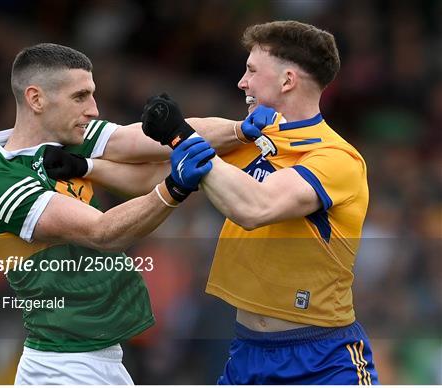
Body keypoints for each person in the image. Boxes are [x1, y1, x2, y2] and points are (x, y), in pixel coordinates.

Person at [0, 43, 237, 385]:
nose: (94, 109)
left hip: (94, 359)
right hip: (63, 366)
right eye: (80, 96)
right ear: (36, 99)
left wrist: (246, 131)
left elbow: (143, 141)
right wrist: (174, 188)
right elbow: (102, 232)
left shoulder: (67, 139)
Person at [141, 21, 379, 385]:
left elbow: (255, 208)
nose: (242, 82)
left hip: (323, 360)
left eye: (252, 70)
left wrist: (181, 136)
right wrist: (86, 166)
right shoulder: (251, 140)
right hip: (247, 353)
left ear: (287, 81)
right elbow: (147, 173)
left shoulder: (337, 157)